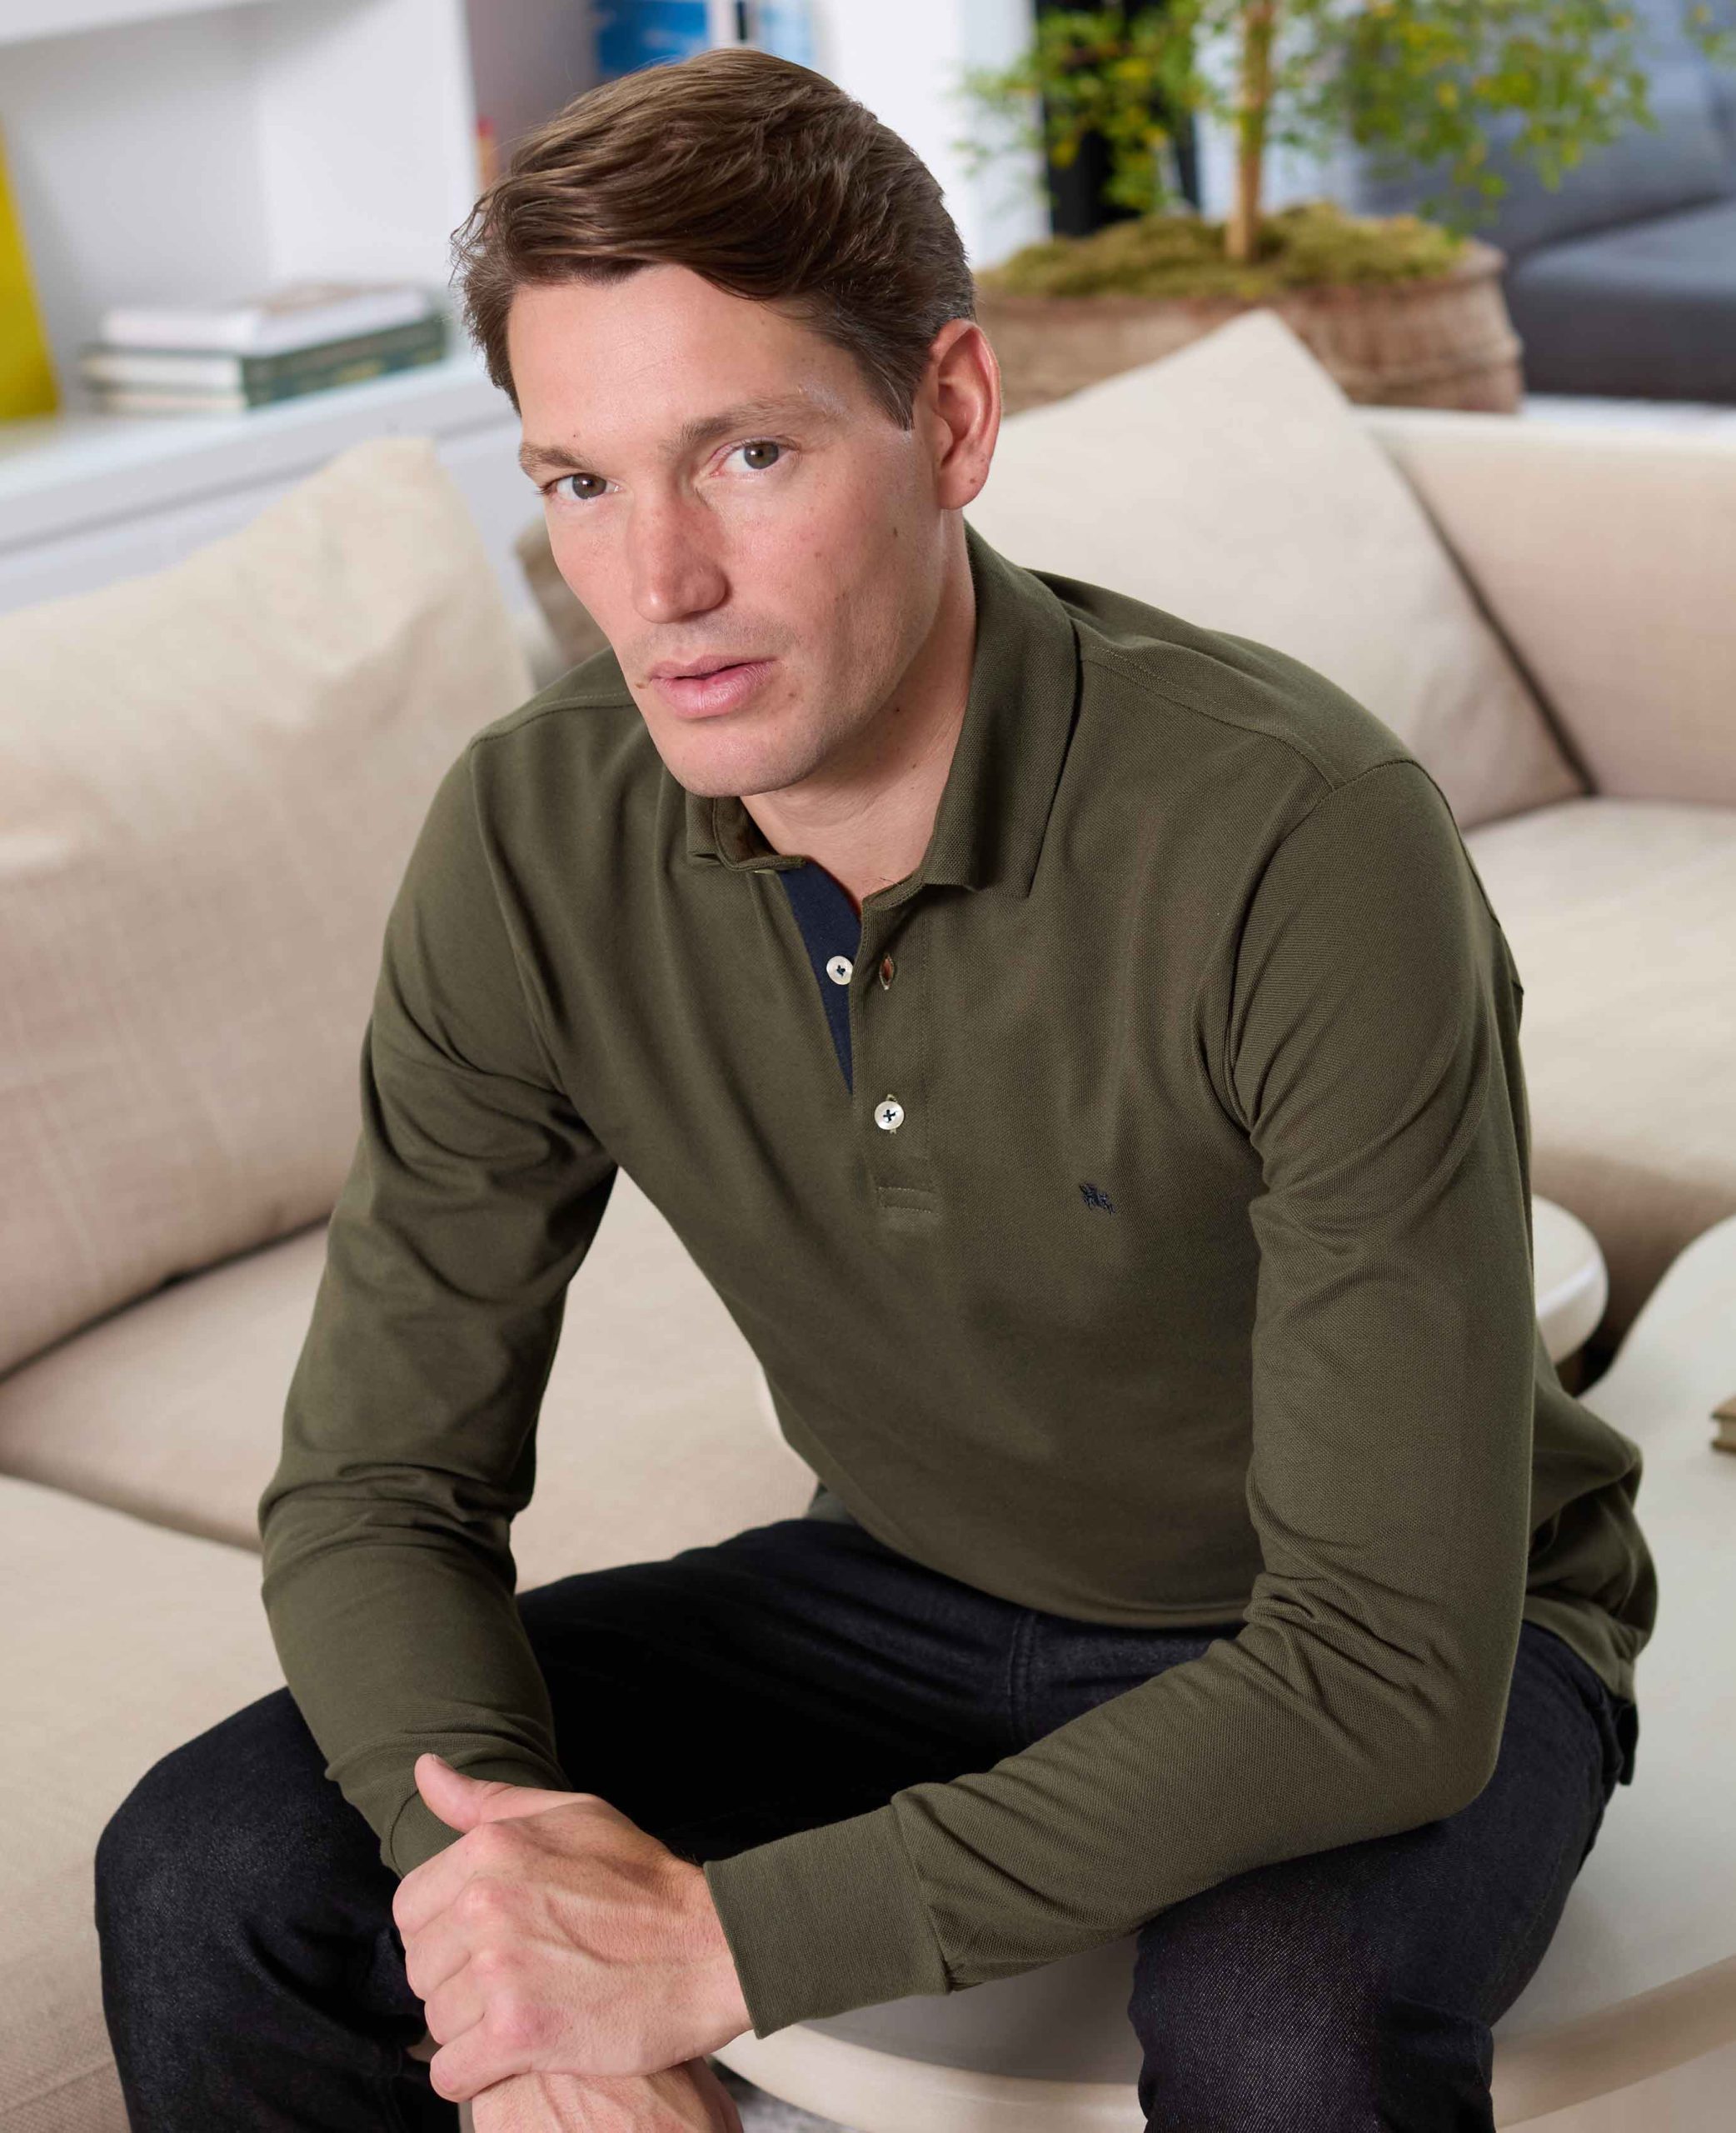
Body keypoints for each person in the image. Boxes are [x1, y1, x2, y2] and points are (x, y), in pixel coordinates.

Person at [92, 44, 1654, 2133]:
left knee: (1293, 2033)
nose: (656, 584)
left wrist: (707, 1951)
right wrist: (521, 1919)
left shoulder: (1302, 834)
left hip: (1379, 1632)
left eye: (744, 454)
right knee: (213, 1868)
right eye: (578, 483)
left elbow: (1379, 1663)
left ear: (953, 415)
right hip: (907, 1589)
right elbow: (376, 1490)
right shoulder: (531, 833)